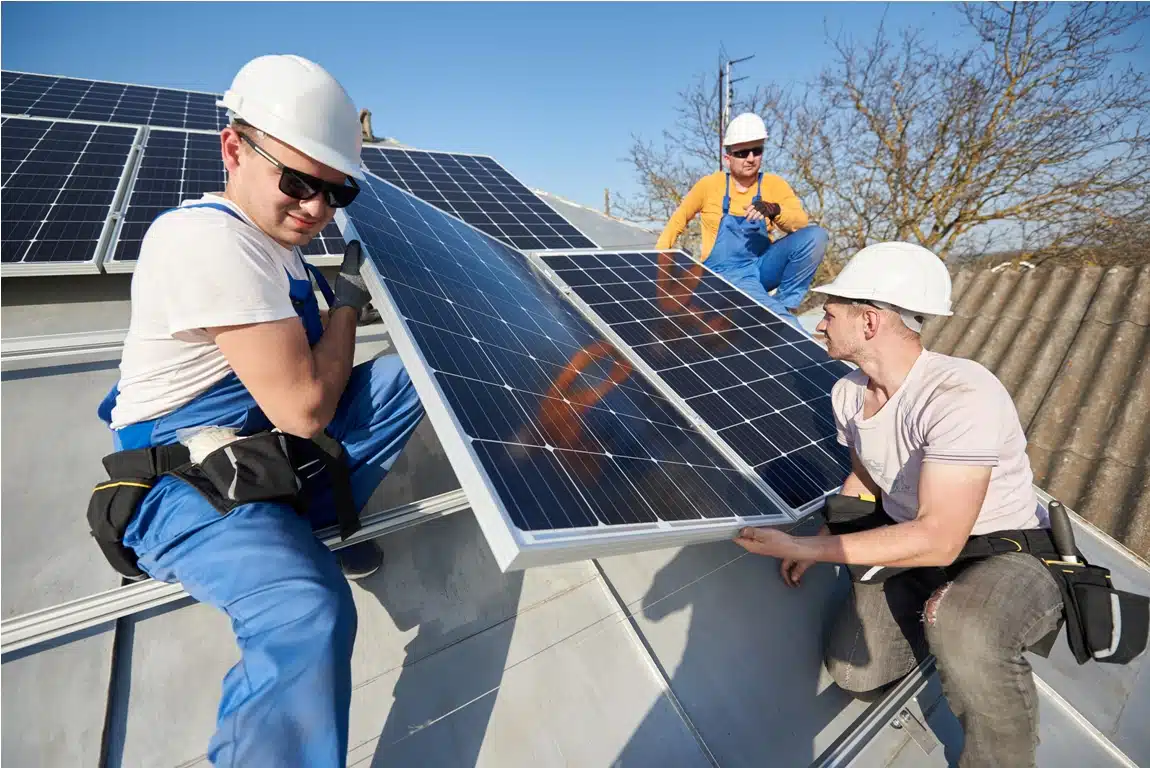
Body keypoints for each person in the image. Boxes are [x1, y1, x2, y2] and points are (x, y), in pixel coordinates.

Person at [94, 55, 425, 766]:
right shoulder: (208, 240)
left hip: (255, 452)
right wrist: (346, 307)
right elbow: (306, 408)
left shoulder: (280, 250)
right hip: (183, 484)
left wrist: (337, 305)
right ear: (234, 147)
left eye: (337, 194)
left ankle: (312, 524)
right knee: (308, 611)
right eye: (298, 182)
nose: (315, 209)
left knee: (414, 377)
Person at [732, 242, 1064, 767]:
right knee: (854, 670)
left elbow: (941, 538)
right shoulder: (847, 392)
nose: (819, 324)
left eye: (830, 312)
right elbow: (867, 476)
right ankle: (942, 619)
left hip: (1004, 552)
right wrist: (822, 536)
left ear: (869, 322)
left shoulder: (960, 394)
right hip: (918, 549)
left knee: (966, 629)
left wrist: (805, 547)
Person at [655, 112, 828, 328]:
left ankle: (785, 303)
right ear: (728, 159)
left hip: (762, 264)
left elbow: (801, 224)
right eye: (742, 152)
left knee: (816, 236)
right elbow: (677, 221)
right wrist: (658, 266)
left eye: (757, 150)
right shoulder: (710, 186)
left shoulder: (774, 184)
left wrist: (774, 209)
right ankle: (782, 320)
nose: (750, 158)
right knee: (785, 323)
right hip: (726, 272)